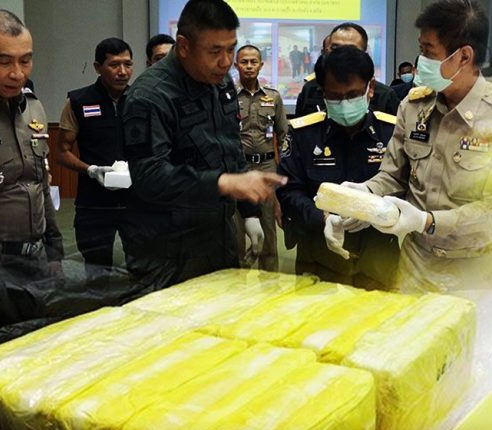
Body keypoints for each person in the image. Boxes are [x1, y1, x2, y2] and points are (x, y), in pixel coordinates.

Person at [334, 0, 492, 293]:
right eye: (420, 49)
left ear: (464, 56)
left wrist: (427, 221)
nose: (420, 61)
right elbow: (392, 176)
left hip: (474, 271)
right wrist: (363, 195)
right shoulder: (413, 106)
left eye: (428, 52)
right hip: (415, 264)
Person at [120, 0, 285, 291]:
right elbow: (149, 176)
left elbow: (231, 149)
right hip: (166, 249)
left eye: (231, 49)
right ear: (184, 46)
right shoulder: (150, 96)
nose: (226, 61)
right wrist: (224, 183)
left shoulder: (219, 84)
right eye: (215, 51)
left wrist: (249, 212)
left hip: (218, 235)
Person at [278, 46, 399, 289]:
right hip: (319, 257)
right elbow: (289, 191)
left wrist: (379, 212)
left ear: (370, 88)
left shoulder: (392, 132)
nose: (344, 104)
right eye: (335, 97)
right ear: (323, 93)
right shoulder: (303, 134)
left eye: (353, 95)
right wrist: (323, 218)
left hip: (378, 257)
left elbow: (406, 185)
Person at [0, 9, 64, 334]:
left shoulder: (33, 108)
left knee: (34, 345)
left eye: (25, 61)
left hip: (33, 262)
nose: (17, 73)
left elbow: (40, 183)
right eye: (4, 61)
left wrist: (54, 252)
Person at [56, 37, 133, 284]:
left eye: (128, 64)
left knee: (143, 268)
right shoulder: (79, 101)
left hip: (137, 202)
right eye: (114, 65)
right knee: (97, 273)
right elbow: (62, 151)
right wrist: (91, 170)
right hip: (94, 202)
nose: (123, 72)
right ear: (98, 67)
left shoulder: (142, 99)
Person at [233, 44, 288, 272]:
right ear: (236, 65)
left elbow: (283, 136)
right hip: (239, 168)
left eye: (253, 62)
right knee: (237, 227)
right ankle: (237, 278)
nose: (249, 66)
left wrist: (282, 169)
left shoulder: (273, 97)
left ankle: (270, 280)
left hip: (266, 167)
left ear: (261, 65)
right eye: (244, 62)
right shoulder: (227, 97)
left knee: (267, 227)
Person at [294, 23, 400, 117]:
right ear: (325, 51)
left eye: (351, 49)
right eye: (335, 48)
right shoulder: (310, 89)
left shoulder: (385, 95)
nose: (342, 55)